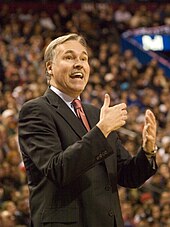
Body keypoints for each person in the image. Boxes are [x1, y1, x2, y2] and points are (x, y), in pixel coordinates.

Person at [18, 33, 158, 227]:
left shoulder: (95, 114)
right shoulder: (36, 110)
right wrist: (102, 130)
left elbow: (128, 175)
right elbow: (58, 169)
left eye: (83, 58)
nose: (79, 63)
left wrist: (148, 150)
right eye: (69, 57)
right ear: (49, 67)